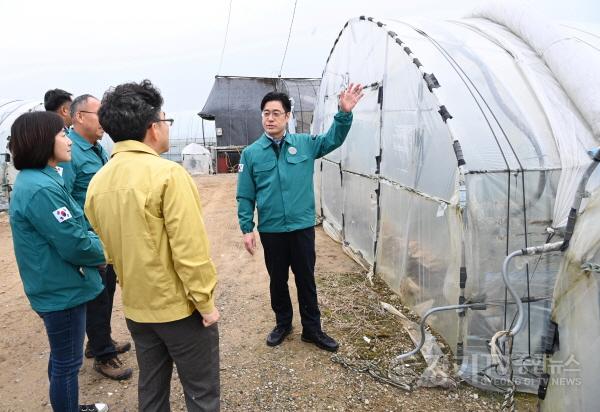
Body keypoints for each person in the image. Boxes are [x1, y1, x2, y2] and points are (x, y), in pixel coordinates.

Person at [85, 80, 220, 411]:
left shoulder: (98, 182)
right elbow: (190, 254)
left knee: (152, 389)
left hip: (137, 309)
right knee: (202, 393)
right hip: (179, 310)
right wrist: (205, 303)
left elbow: (108, 251)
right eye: (165, 119)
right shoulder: (168, 175)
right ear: (152, 127)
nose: (166, 126)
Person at [236, 84, 364, 352]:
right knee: (277, 280)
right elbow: (245, 195)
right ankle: (283, 324)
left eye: (275, 113)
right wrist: (247, 228)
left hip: (301, 227)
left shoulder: (304, 144)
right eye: (266, 113)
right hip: (271, 230)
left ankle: (312, 329)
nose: (269, 118)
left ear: (287, 117)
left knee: (306, 279)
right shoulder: (251, 154)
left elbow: (333, 139)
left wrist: (344, 113)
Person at [8, 111, 109, 412]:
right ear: (42, 140)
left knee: (63, 355)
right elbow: (74, 242)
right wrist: (103, 251)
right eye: (62, 135)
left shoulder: (42, 179)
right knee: (68, 363)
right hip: (60, 291)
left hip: (56, 285)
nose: (68, 141)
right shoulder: (41, 188)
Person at [60, 94, 133, 381]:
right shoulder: (70, 153)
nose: (104, 119)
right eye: (98, 113)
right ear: (79, 116)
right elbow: (63, 197)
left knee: (106, 293)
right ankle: (104, 355)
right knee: (97, 297)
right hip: (90, 239)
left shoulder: (98, 149)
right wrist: (84, 238)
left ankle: (99, 341)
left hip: (107, 237)